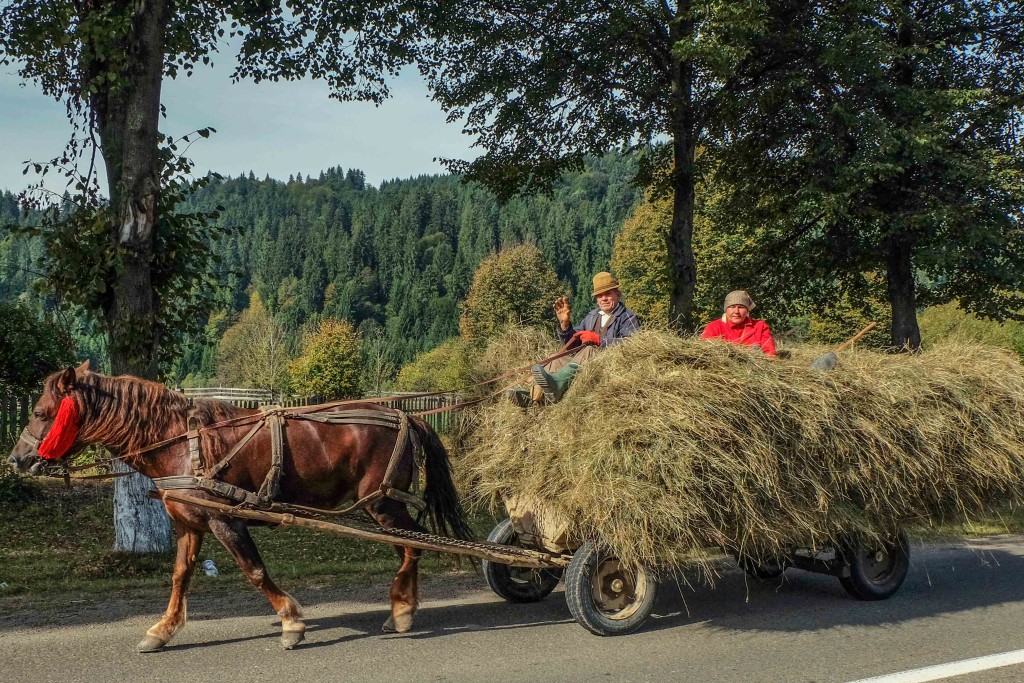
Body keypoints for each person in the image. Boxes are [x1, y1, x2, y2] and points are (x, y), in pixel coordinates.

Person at [507, 272, 640, 407]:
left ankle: (555, 387)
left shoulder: (628, 316)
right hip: (583, 363)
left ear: (617, 294)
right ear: (596, 299)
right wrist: (565, 325)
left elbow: (632, 344)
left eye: (608, 294)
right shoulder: (592, 316)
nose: (604, 298)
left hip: (606, 366)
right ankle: (535, 396)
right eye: (600, 295)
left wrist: (600, 341)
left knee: (590, 349)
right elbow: (574, 343)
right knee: (556, 358)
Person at [700, 290, 777, 356]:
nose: (736, 311)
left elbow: (770, 354)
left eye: (741, 307)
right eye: (732, 307)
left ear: (747, 310)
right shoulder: (714, 327)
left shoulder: (760, 326)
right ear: (726, 309)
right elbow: (705, 355)